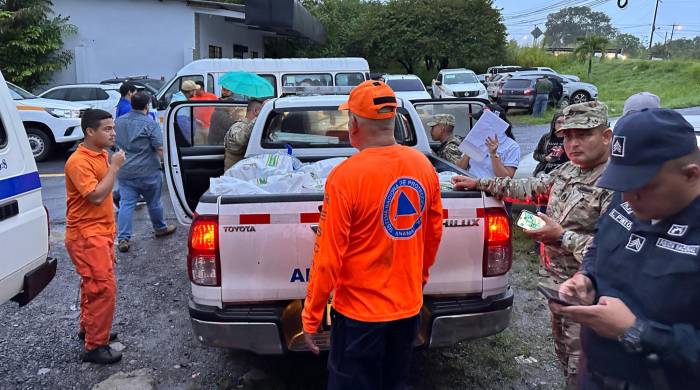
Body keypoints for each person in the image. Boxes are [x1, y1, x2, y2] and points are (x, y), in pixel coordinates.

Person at [451, 101, 614, 386]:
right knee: (565, 358)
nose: (573, 144)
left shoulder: (618, 183)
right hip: (557, 286)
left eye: (583, 135)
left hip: (593, 295)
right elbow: (526, 188)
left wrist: (561, 236)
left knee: (589, 370)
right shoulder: (568, 171)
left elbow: (617, 252)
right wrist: (480, 184)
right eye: (567, 137)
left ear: (606, 136)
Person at [301, 80, 443, 389]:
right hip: (407, 309)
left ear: (353, 124)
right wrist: (416, 282)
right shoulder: (423, 167)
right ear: (393, 121)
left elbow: (328, 257)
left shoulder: (346, 177)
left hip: (358, 317)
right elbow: (433, 235)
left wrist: (311, 316)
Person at [554, 109, 700, 389]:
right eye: (622, 183)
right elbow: (601, 246)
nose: (629, 198)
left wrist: (637, 332)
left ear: (691, 175)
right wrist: (586, 278)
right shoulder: (627, 198)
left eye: (642, 187)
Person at [64, 109, 125, 364]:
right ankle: (95, 346)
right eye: (107, 129)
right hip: (87, 236)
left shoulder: (101, 154)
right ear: (90, 132)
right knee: (102, 288)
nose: (113, 133)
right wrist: (115, 167)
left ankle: (90, 329)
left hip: (101, 233)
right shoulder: (79, 162)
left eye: (113, 128)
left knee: (94, 286)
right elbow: (96, 195)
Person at [114, 92, 176, 253]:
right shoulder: (150, 124)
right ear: (147, 106)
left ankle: (123, 238)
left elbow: (112, 143)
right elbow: (159, 147)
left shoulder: (118, 122)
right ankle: (160, 228)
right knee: (154, 202)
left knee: (126, 204)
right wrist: (168, 165)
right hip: (148, 171)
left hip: (125, 170)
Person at [460, 105, 520, 179]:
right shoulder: (475, 138)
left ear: (494, 125)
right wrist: (469, 150)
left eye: (481, 121)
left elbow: (506, 178)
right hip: (469, 187)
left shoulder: (511, 146)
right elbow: (459, 169)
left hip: (491, 189)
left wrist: (493, 154)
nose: (477, 124)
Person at [223, 99, 263, 170]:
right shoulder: (238, 126)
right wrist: (258, 119)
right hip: (235, 177)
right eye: (262, 111)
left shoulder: (255, 128)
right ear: (256, 111)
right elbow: (241, 140)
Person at [533, 112, 568, 177]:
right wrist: (545, 158)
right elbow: (536, 154)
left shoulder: (571, 138)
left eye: (564, 123)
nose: (561, 125)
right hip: (546, 170)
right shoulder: (546, 137)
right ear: (554, 123)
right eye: (559, 122)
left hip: (565, 171)